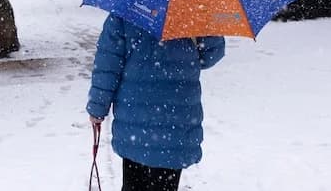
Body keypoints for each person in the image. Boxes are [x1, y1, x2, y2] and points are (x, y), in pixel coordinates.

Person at [86, 13, 227, 191]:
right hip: (176, 120)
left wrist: (98, 107)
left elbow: (108, 65)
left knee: (134, 184)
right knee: (165, 185)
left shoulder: (126, 10)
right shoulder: (192, 9)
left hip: (135, 120)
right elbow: (210, 56)